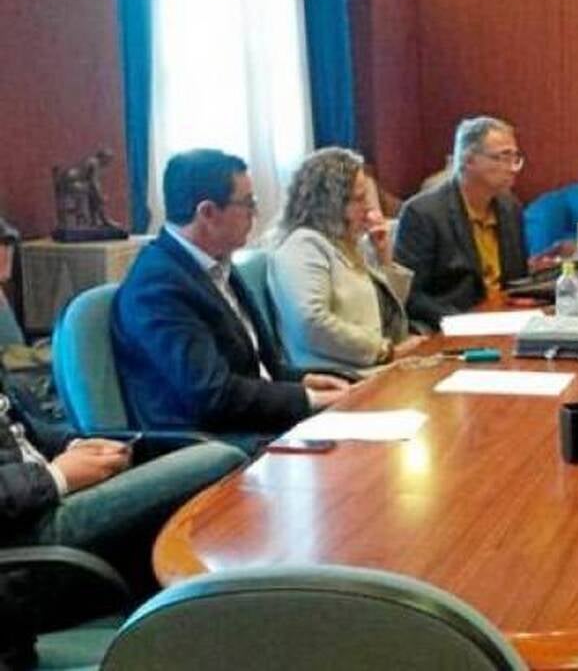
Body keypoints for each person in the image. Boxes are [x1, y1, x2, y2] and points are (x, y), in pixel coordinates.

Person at [1, 213, 247, 608]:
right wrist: (56, 477)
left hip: (40, 498)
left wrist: (74, 445)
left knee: (192, 459)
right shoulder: (160, 278)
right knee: (223, 459)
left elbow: (23, 434)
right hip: (25, 545)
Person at [112, 149, 350, 439]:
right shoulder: (157, 287)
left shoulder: (216, 264)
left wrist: (304, 382)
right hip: (212, 445)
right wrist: (307, 399)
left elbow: (257, 369)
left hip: (256, 425)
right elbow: (211, 394)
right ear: (208, 213)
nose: (255, 214)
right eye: (248, 204)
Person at [268, 148, 425, 370]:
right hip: (340, 376)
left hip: (374, 366)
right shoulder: (303, 245)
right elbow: (310, 323)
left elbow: (389, 314)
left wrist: (384, 256)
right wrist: (383, 350)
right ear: (330, 203)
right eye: (359, 199)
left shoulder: (347, 242)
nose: (369, 207)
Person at [393, 116, 530, 330]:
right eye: (503, 157)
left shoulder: (510, 208)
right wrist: (463, 322)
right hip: (452, 324)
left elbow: (518, 279)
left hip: (505, 318)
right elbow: (410, 294)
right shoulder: (423, 213)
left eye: (515, 158)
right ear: (468, 160)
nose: (513, 168)